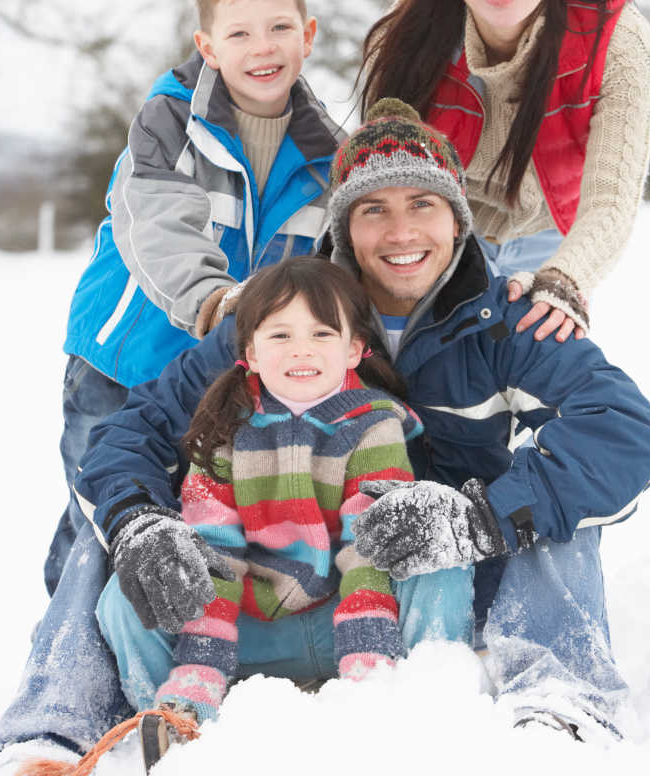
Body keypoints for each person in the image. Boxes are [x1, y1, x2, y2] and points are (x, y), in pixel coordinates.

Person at [0, 101, 650, 770]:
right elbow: (132, 432)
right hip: (274, 584)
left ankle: (559, 705)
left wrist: (480, 518)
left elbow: (628, 434)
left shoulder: (508, 323)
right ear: (344, 226)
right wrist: (138, 523)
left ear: (457, 220)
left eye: (423, 204)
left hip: (434, 585)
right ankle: (53, 728)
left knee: (558, 500)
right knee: (116, 519)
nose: (401, 231)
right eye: (374, 210)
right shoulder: (283, 318)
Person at [86, 258, 472, 768]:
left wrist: (368, 675)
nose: (301, 349)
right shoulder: (224, 430)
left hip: (348, 626)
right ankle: (178, 717)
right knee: (127, 592)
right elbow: (215, 556)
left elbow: (370, 551)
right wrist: (201, 669)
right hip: (248, 634)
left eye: (322, 333)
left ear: (354, 348)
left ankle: (421, 706)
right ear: (250, 351)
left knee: (434, 557)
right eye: (280, 334)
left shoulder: (374, 426)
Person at [46, 0, 344, 593]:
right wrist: (216, 301)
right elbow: (158, 225)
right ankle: (68, 643)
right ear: (207, 46)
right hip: (123, 362)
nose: (262, 48)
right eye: (239, 33)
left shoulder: (328, 156)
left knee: (183, 526)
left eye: (279, 27)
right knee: (102, 520)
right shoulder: (169, 121)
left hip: (216, 378)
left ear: (308, 34)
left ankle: (158, 640)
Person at [361, 0, 650, 344]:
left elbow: (611, 200)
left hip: (551, 236)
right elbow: (379, 176)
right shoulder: (405, 36)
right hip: (441, 233)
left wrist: (564, 280)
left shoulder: (617, 40)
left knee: (537, 360)